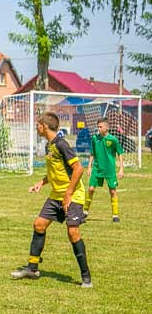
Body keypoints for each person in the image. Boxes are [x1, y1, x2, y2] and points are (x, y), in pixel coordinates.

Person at [11, 112, 92, 288]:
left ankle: (86, 277)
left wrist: (69, 194)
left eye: (38, 125)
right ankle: (32, 269)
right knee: (39, 224)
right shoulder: (49, 146)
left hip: (73, 196)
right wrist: (41, 182)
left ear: (45, 126)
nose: (36, 127)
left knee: (73, 233)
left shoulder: (62, 144)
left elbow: (78, 169)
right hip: (56, 195)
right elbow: (56, 171)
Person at [84, 118, 124, 222]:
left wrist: (121, 169)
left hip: (109, 169)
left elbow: (120, 153)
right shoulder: (94, 138)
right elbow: (92, 153)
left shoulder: (113, 140)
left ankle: (115, 215)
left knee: (112, 191)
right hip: (97, 168)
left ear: (107, 127)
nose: (98, 128)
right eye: (98, 126)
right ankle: (85, 212)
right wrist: (89, 166)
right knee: (91, 189)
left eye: (100, 126)